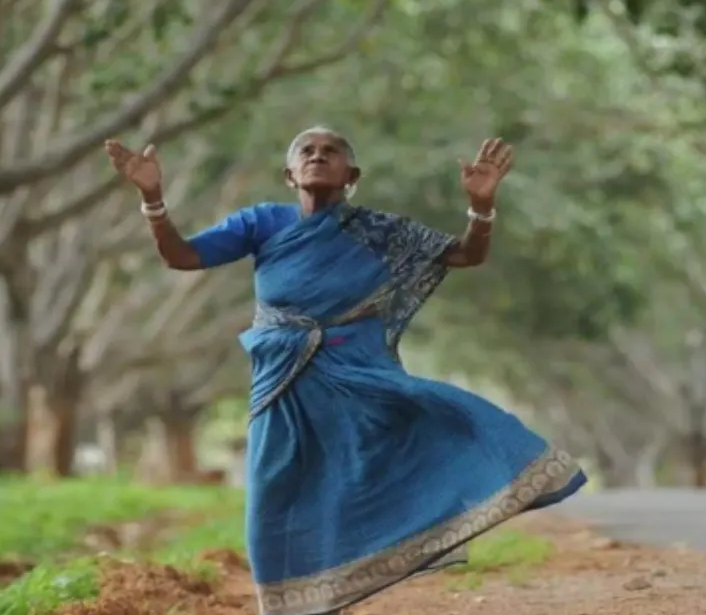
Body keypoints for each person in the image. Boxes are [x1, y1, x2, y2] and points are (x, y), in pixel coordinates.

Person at [104, 127, 587, 615]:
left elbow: (465, 254)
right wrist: (153, 198)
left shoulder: (377, 231)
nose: (318, 156)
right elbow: (182, 255)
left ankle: (374, 566)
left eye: (330, 152)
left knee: (406, 446)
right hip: (281, 384)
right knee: (273, 499)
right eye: (306, 152)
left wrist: (481, 208)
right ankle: (291, 605)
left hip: (358, 377)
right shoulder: (262, 222)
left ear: (351, 176)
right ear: (289, 174)